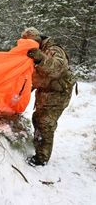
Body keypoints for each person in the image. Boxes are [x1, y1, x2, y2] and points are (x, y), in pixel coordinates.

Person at [22, 27, 76, 166]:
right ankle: (39, 149)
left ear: (37, 39)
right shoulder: (36, 52)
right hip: (46, 91)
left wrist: (41, 58)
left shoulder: (53, 49)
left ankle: (41, 159)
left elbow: (58, 68)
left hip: (58, 93)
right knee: (38, 120)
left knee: (45, 124)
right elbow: (34, 76)